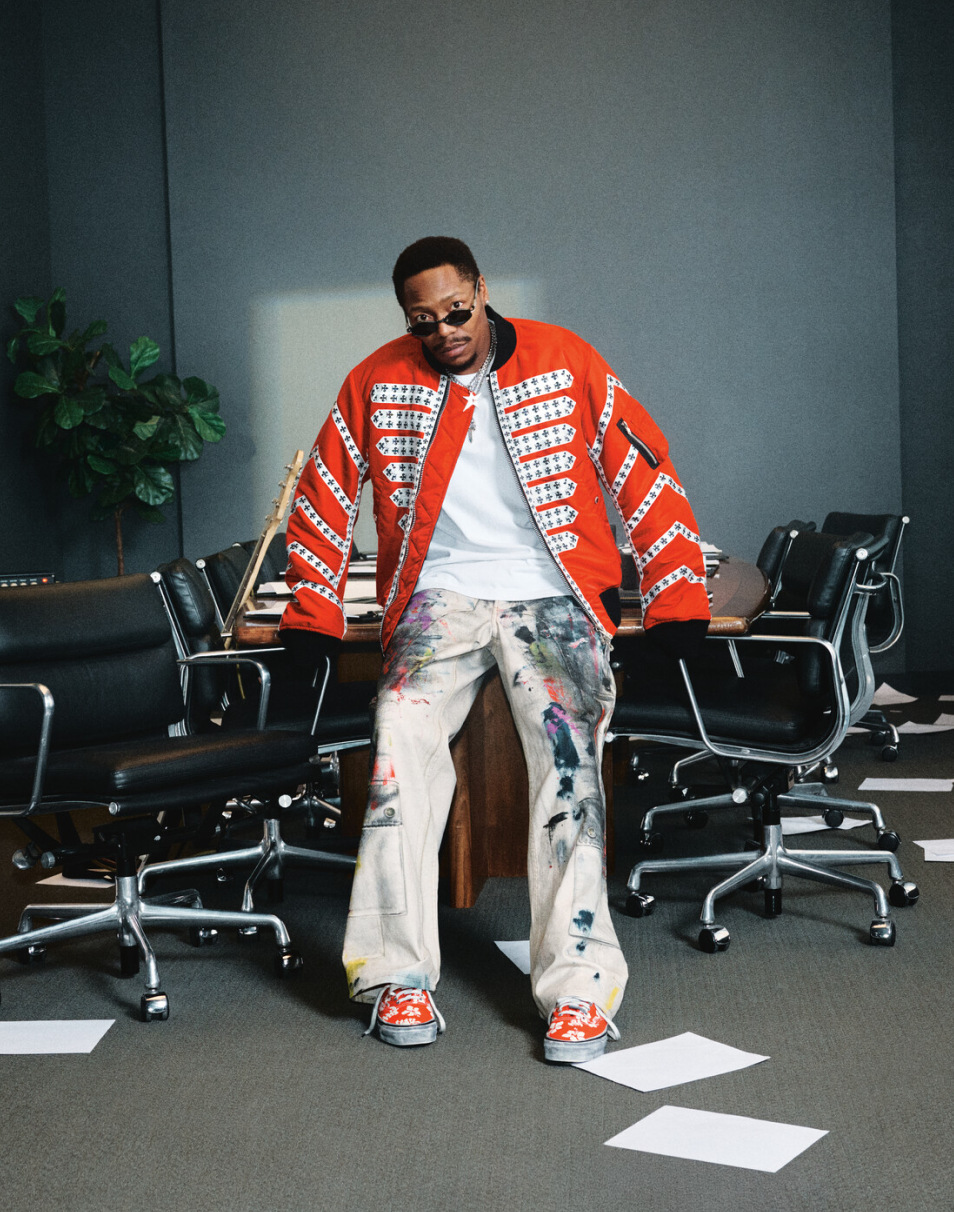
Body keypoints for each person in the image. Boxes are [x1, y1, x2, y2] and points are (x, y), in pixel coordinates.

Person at [280, 236, 710, 1062]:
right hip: (436, 596)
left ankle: (580, 989)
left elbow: (643, 469)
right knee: (397, 743)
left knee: (569, 764)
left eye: (456, 311)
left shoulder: (566, 357)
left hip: (553, 593)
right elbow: (324, 491)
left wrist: (676, 601)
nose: (444, 331)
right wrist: (312, 616)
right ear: (405, 318)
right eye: (423, 320)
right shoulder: (375, 379)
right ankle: (393, 974)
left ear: (481, 290)